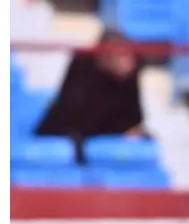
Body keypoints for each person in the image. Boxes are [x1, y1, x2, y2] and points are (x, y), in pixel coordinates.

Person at [35, 28, 147, 162]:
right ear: (103, 57)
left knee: (145, 142)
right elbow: (73, 112)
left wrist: (132, 129)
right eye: (120, 55)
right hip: (72, 129)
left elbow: (134, 115)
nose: (127, 62)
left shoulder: (131, 72)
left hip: (108, 130)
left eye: (128, 56)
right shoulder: (82, 63)